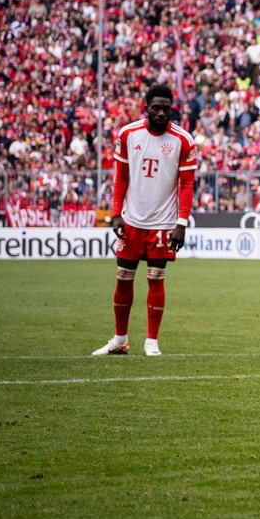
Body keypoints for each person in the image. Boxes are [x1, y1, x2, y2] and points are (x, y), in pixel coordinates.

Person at [92, 84, 196, 357]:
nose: (162, 113)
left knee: (156, 279)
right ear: (146, 108)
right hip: (132, 221)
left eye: (167, 108)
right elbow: (121, 177)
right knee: (123, 278)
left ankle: (151, 341)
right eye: (156, 108)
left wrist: (181, 223)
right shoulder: (128, 134)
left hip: (163, 224)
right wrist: (115, 213)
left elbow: (187, 184)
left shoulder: (183, 140)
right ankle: (119, 339)